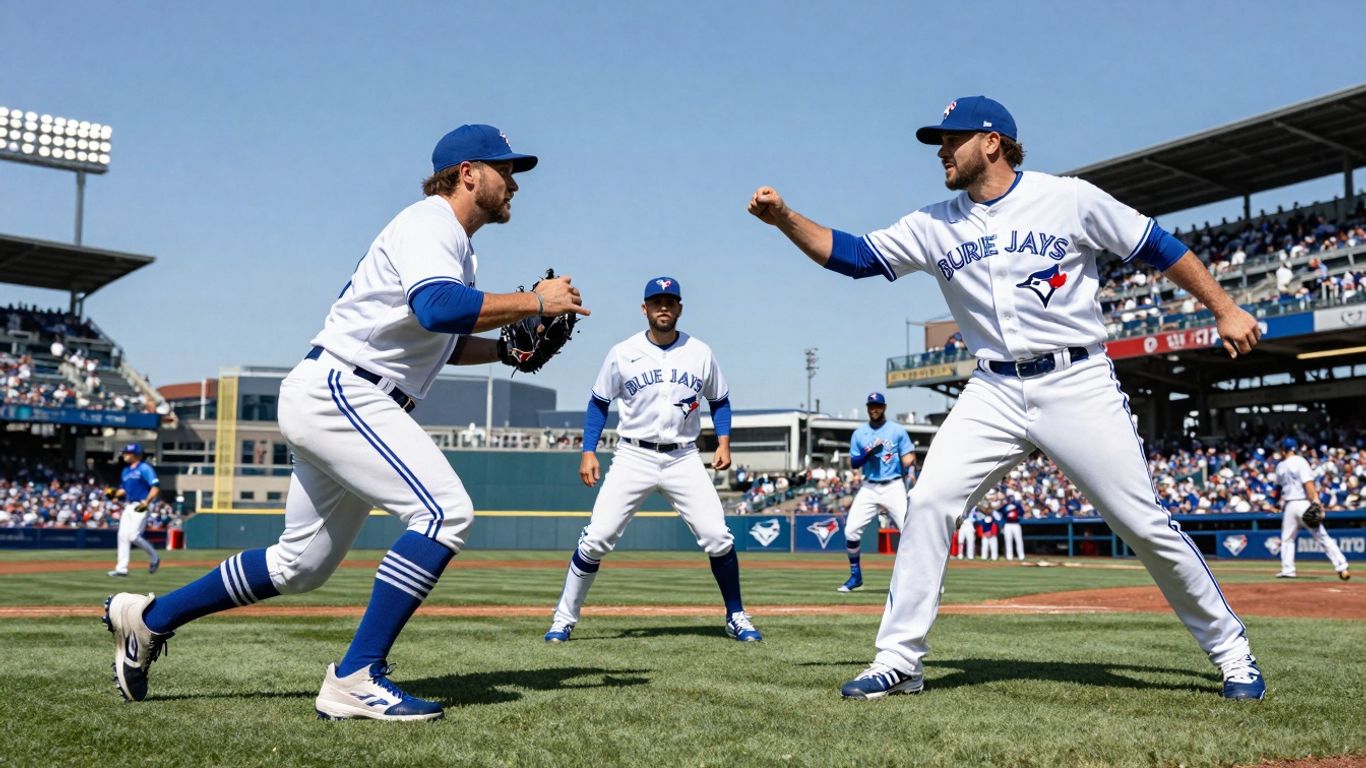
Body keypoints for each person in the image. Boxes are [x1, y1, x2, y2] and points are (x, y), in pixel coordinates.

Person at [748, 95, 1266, 701]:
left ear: (992, 142)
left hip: (1076, 381)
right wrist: (786, 217)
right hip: (992, 387)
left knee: (1142, 523)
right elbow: (857, 257)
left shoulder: (1069, 198)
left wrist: (1225, 308)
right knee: (931, 504)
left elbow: (1157, 246)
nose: (942, 150)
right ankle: (899, 659)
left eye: (952, 138)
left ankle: (1233, 652)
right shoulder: (934, 221)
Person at [103, 124, 589, 721]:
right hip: (345, 390)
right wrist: (535, 300)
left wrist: (505, 351)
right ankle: (357, 675)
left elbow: (438, 338)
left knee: (297, 566)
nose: (513, 182)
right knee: (444, 513)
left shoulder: (454, 244)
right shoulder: (429, 222)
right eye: (504, 169)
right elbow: (438, 309)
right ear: (467, 173)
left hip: (344, 393)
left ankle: (149, 620)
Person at [543, 277, 761, 643]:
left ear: (680, 308)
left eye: (670, 301)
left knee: (717, 537)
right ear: (644, 309)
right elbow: (598, 402)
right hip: (633, 455)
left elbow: (719, 400)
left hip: (683, 457)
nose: (664, 307)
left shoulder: (700, 352)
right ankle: (563, 618)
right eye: (656, 301)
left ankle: (736, 614)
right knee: (596, 538)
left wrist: (724, 443)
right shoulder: (622, 352)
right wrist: (588, 450)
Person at [838, 392, 916, 592]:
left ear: (884, 408)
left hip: (893, 485)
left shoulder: (897, 430)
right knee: (851, 531)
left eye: (878, 406)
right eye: (871, 406)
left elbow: (908, 455)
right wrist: (869, 452)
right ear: (867, 408)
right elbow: (854, 462)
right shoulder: (860, 433)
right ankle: (856, 576)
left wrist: (909, 462)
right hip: (869, 486)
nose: (875, 409)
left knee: (908, 531)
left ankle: (918, 578)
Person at [1273, 438, 1350, 581]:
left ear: (1284, 450)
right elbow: (1308, 483)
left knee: (1287, 539)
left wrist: (1275, 503)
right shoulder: (1301, 461)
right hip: (1303, 503)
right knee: (1321, 536)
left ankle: (1288, 569)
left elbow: (1278, 489)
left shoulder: (1281, 466)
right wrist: (1316, 501)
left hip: (1290, 505)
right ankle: (1342, 566)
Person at [106, 443, 161, 577]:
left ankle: (155, 557)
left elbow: (155, 486)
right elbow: (123, 490)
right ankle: (121, 569)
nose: (124, 455)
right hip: (129, 505)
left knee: (133, 536)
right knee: (122, 536)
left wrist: (147, 501)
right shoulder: (125, 471)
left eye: (127, 453)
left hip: (141, 503)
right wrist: (112, 494)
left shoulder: (144, 468)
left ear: (136, 455)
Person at [1000, 492, 1026, 561]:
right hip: (1008, 524)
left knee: (1018, 540)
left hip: (1016, 524)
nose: (1011, 500)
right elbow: (1001, 511)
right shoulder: (1005, 506)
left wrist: (1019, 505)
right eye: (1010, 499)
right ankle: (1009, 556)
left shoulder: (1017, 505)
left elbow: (1022, 512)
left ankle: (1021, 555)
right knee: (1008, 540)